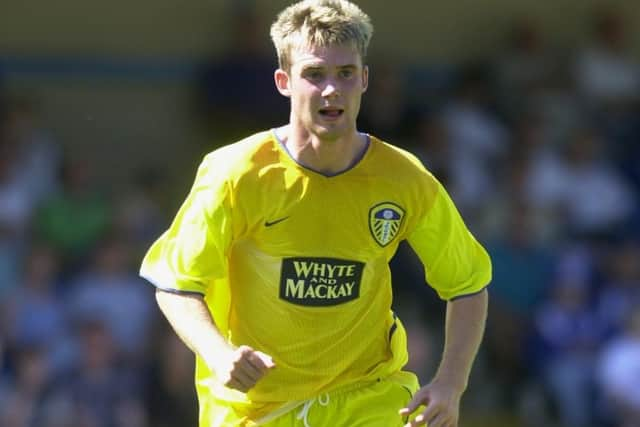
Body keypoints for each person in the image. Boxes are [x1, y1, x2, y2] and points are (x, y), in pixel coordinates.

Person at [140, 1, 491, 426]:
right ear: (284, 81)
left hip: (369, 395)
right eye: (314, 74)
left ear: (364, 80)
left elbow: (468, 285)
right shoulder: (236, 173)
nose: (331, 90)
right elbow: (176, 285)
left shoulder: (404, 179)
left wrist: (451, 384)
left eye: (345, 73)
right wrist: (219, 353)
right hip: (258, 409)